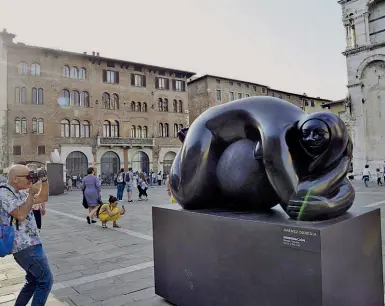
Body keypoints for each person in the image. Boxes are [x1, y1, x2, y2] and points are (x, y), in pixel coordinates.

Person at [0, 164, 52, 306]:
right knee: (45, 280)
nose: (30, 180)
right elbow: (20, 214)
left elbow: (43, 197)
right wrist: (30, 194)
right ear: (15, 179)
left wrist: (44, 180)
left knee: (33, 281)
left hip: (31, 242)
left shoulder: (19, 192)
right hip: (24, 246)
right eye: (27, 177)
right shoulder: (4, 193)